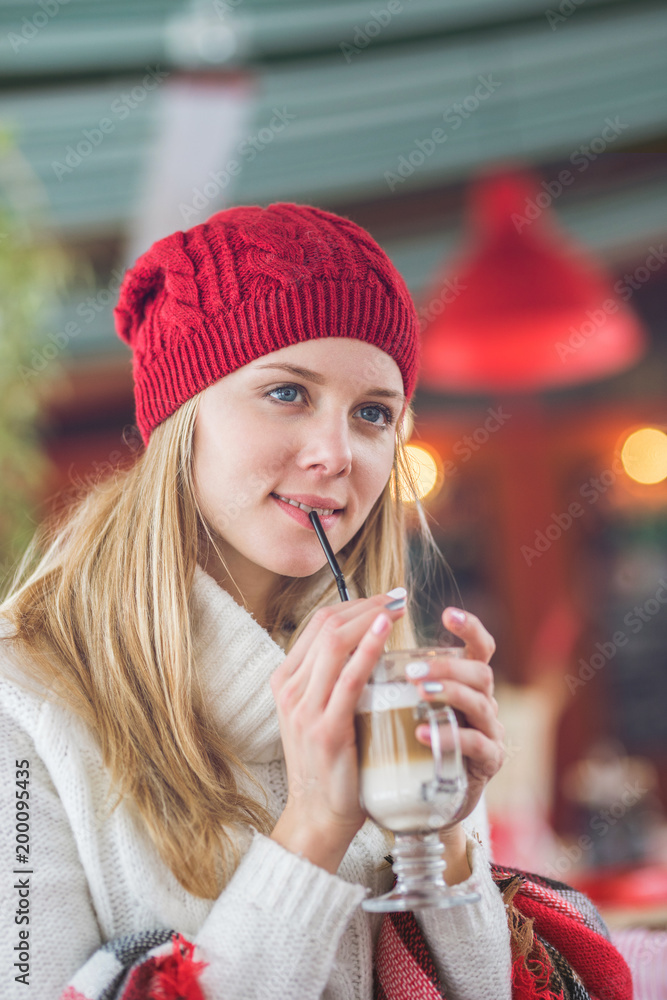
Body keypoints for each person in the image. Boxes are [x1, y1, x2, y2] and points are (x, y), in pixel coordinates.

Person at [0, 203, 630, 1000]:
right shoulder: (21, 702)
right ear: (178, 420)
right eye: (287, 393)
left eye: (373, 414)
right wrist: (312, 832)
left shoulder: (386, 688)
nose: (337, 455)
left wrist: (444, 845)